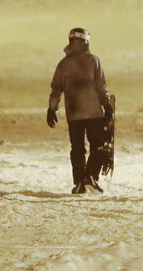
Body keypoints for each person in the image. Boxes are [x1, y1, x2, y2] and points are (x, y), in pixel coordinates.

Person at [47, 28, 113, 194]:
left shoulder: (63, 64)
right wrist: (107, 105)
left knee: (77, 148)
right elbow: (101, 86)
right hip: (93, 113)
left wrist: (52, 108)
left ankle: (79, 183)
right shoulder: (93, 61)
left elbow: (56, 88)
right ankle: (91, 177)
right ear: (85, 41)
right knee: (97, 145)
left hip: (74, 114)